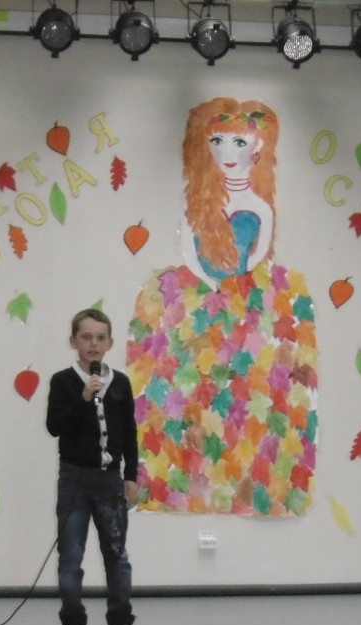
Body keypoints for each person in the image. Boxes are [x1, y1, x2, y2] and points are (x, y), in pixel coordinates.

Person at [127, 97, 319, 518]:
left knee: (252, 381)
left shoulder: (260, 206)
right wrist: (209, 285)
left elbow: (257, 253)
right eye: (216, 141)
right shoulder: (196, 202)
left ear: (258, 147)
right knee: (184, 380)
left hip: (241, 293)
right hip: (201, 290)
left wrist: (234, 285)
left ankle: (249, 472)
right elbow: (189, 250)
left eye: (238, 142)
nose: (227, 152)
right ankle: (180, 468)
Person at [46, 308, 141, 625]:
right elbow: (54, 426)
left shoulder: (121, 383)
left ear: (110, 343)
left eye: (100, 338)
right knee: (71, 557)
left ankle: (120, 622)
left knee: (117, 555)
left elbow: (129, 433)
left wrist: (131, 475)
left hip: (110, 481)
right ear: (73, 341)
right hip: (74, 480)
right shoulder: (62, 381)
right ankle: (73, 623)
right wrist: (84, 398)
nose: (93, 344)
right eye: (86, 337)